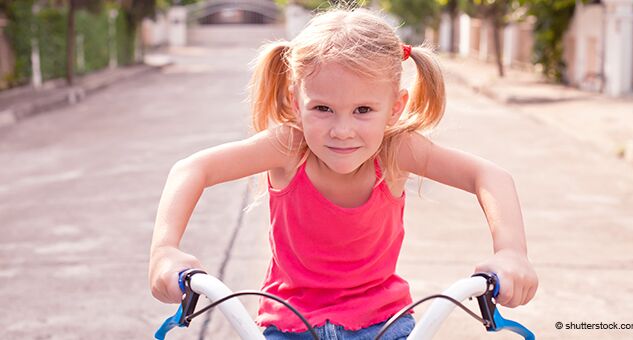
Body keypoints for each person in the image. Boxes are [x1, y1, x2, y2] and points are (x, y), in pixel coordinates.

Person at [148, 6, 538, 340]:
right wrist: (165, 250)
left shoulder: (395, 149)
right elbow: (192, 169)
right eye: (322, 109)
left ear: (396, 107)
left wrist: (510, 253)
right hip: (288, 326)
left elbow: (490, 177)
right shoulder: (289, 147)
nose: (342, 130)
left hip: (384, 325)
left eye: (363, 111)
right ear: (294, 102)